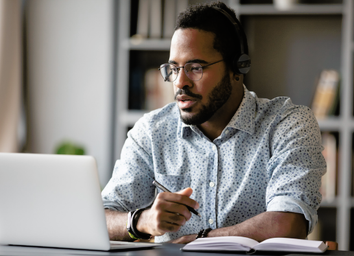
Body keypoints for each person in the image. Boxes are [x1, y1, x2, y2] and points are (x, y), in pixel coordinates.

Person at [102, 1, 326, 244]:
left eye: (195, 67)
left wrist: (201, 239)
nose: (180, 82)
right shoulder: (152, 131)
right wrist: (141, 221)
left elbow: (288, 223)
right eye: (174, 68)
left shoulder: (288, 124)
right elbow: (100, 218)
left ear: (238, 67)